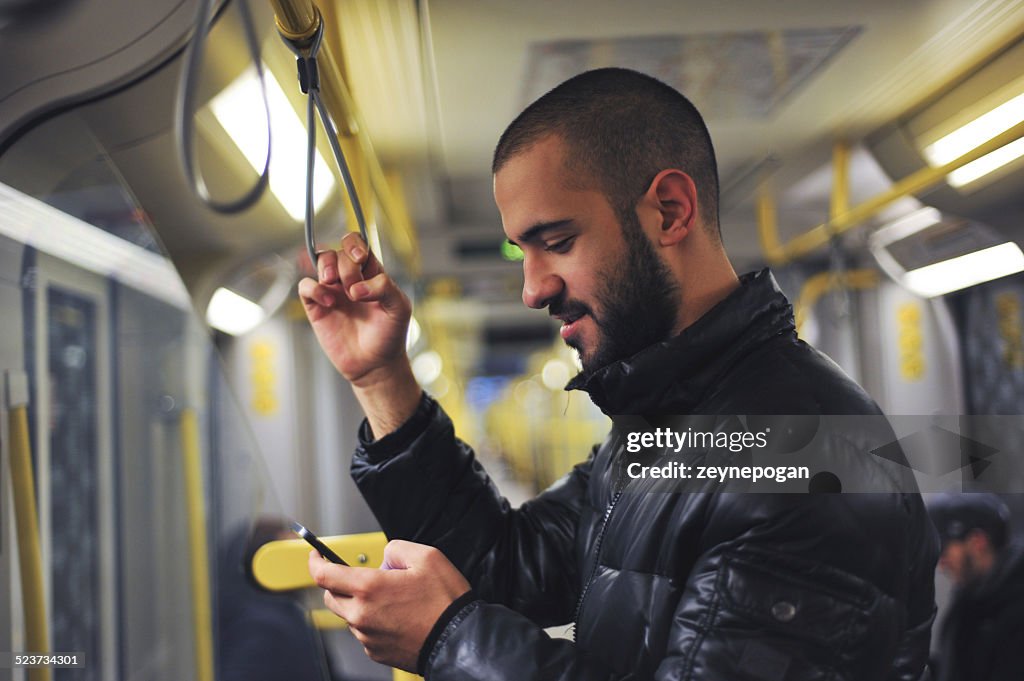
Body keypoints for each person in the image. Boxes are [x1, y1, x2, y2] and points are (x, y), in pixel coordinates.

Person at [298, 67, 938, 680]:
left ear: (669, 211)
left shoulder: (803, 458)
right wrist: (381, 378)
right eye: (523, 251)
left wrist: (450, 640)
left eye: (558, 241)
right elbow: (507, 565)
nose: (531, 289)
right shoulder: (663, 430)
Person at [927, 493, 1024, 681]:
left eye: (944, 548)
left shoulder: (1016, 609)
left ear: (978, 542)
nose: (941, 563)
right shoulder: (970, 598)